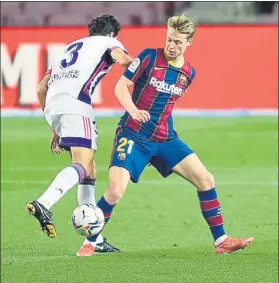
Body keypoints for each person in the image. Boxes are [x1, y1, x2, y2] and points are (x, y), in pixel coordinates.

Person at [80, 13, 254, 256]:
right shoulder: (148, 57)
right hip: (133, 135)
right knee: (115, 191)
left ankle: (221, 241)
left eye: (178, 42)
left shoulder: (188, 74)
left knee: (206, 180)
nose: (171, 46)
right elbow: (120, 87)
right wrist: (134, 111)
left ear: (189, 43)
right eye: (169, 39)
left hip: (164, 138)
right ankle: (90, 242)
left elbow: (165, 105)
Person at [26, 15, 134, 255]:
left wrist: (54, 125)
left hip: (54, 106)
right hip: (78, 105)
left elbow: (41, 87)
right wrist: (139, 63)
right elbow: (123, 59)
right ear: (110, 34)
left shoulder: (66, 49)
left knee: (90, 170)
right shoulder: (107, 43)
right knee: (83, 166)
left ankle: (94, 239)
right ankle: (44, 203)